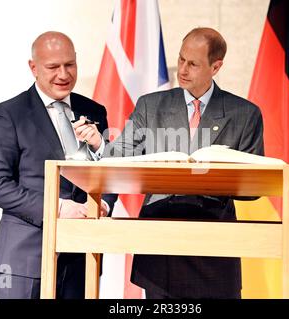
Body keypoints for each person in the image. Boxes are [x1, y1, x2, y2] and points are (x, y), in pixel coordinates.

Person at [105, 27, 264, 299]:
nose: (183, 70)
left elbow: (253, 187)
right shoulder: (150, 106)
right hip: (161, 242)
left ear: (216, 67)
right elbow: (117, 158)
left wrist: (215, 175)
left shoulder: (244, 114)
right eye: (180, 60)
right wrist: (99, 152)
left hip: (213, 245)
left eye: (193, 64)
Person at [0, 31, 116, 299]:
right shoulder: (8, 114)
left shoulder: (95, 110)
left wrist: (105, 202)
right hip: (24, 260)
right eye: (53, 67)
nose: (63, 74)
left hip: (82, 258)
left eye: (70, 65)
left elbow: (110, 168)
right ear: (33, 67)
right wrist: (59, 207)